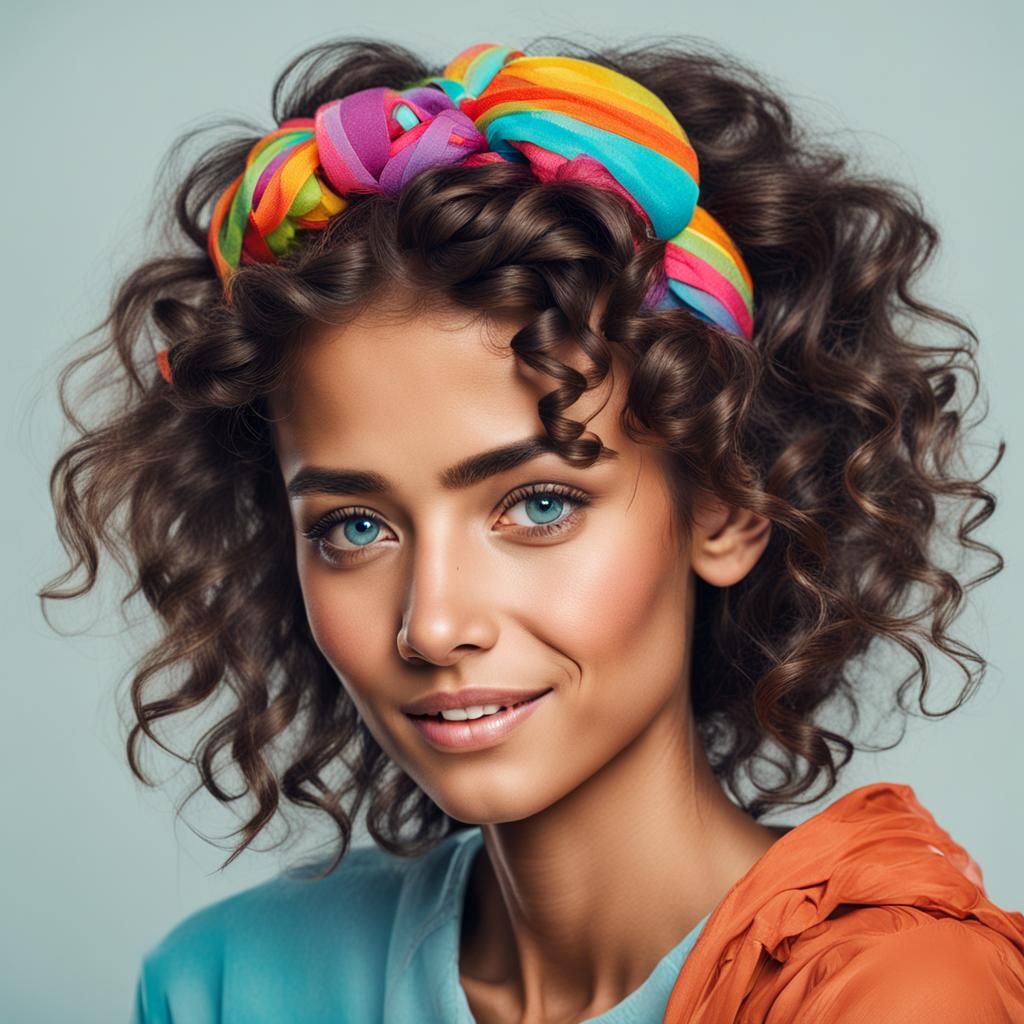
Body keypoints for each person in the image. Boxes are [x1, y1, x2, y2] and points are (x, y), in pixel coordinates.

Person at [41, 35, 1024, 1024]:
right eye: (351, 526)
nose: (432, 625)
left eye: (539, 504)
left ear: (728, 505)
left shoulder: (887, 990)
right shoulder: (225, 985)